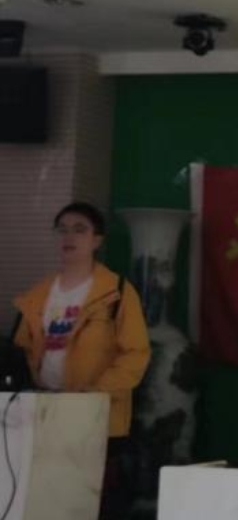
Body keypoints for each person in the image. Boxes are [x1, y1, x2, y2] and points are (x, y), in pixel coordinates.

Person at [11, 202, 151, 519]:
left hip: (96, 414)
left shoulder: (117, 292)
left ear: (97, 240)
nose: (69, 237)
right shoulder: (38, 294)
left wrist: (96, 392)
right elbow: (20, 352)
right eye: (62, 230)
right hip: (43, 412)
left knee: (91, 501)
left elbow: (136, 353)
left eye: (79, 229)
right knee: (46, 498)